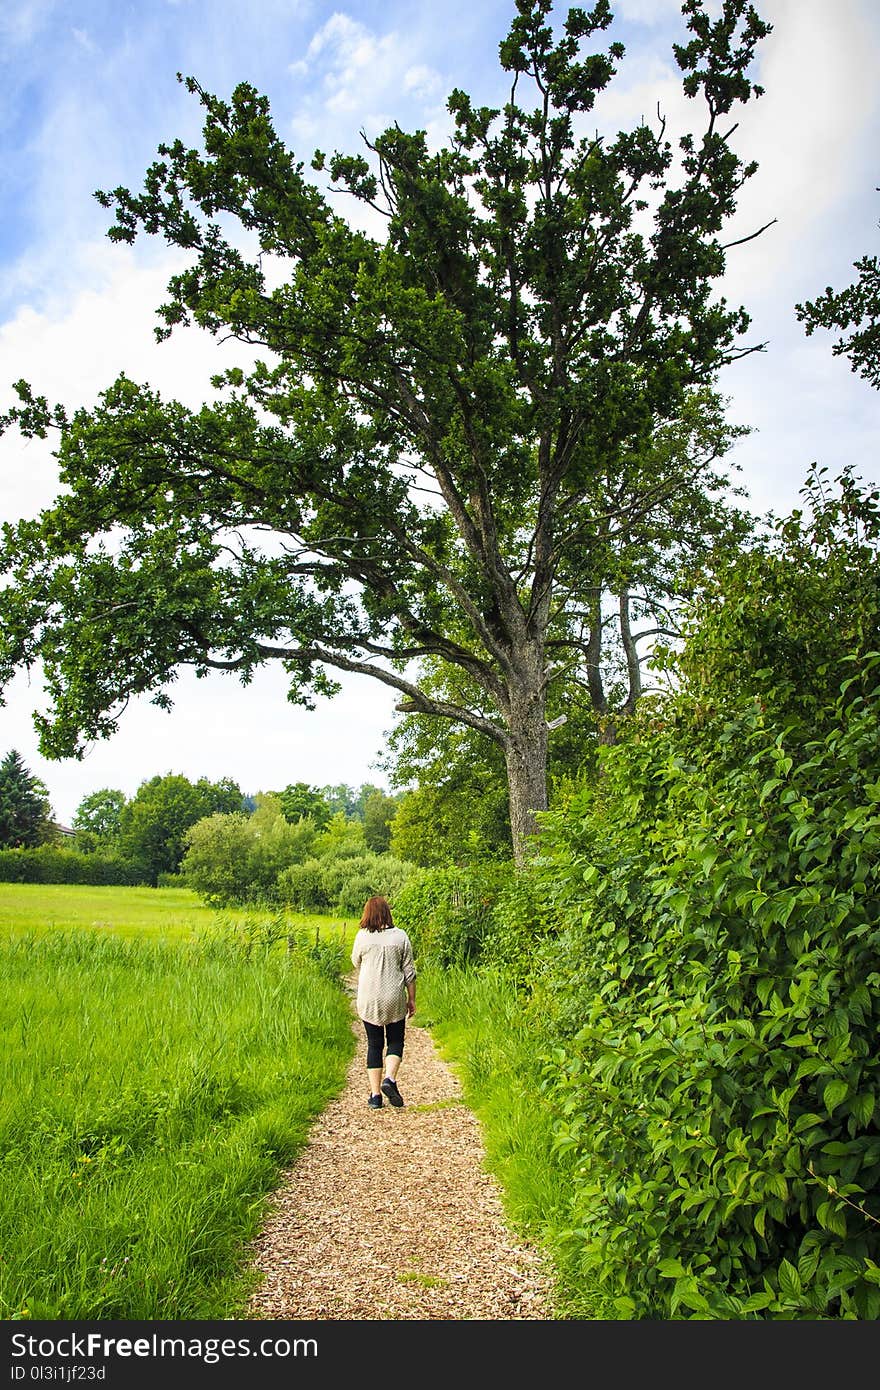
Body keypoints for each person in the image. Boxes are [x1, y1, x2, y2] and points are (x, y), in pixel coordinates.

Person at [350, 895, 417, 1110]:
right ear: (387, 912)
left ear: (367, 913)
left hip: (369, 999)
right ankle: (390, 1078)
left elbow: (355, 961)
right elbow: (409, 972)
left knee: (374, 1044)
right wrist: (412, 998)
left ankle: (375, 1096)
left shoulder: (362, 937)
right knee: (395, 1040)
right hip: (394, 996)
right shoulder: (401, 936)